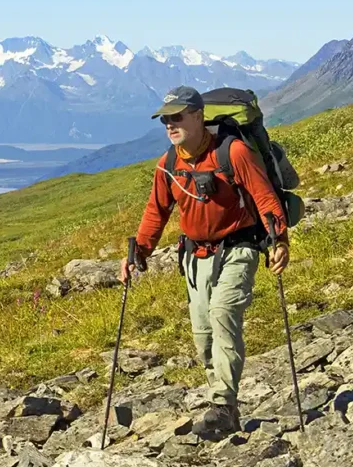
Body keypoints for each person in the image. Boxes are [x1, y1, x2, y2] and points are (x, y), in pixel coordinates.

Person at [120, 86, 289, 441]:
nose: (170, 124)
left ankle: (223, 405)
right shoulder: (168, 164)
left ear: (198, 116)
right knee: (203, 337)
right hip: (196, 257)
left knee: (223, 313)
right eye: (165, 119)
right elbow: (157, 210)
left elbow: (264, 197)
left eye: (177, 116)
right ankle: (225, 409)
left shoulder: (235, 152)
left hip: (238, 247)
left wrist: (280, 240)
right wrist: (140, 252)